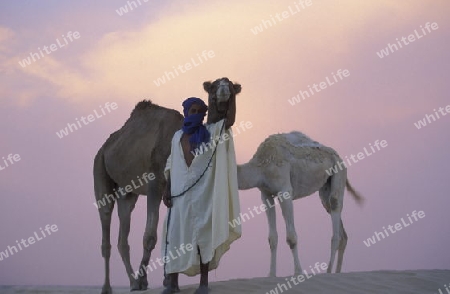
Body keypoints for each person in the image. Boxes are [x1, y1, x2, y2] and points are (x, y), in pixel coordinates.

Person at [161, 97, 241, 294]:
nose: (196, 115)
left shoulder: (211, 133)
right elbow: (172, 164)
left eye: (200, 112)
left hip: (202, 195)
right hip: (179, 197)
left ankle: (204, 284)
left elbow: (229, 121)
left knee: (203, 237)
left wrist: (231, 94)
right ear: (186, 112)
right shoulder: (177, 137)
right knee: (174, 236)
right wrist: (167, 189)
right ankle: (172, 283)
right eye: (193, 111)